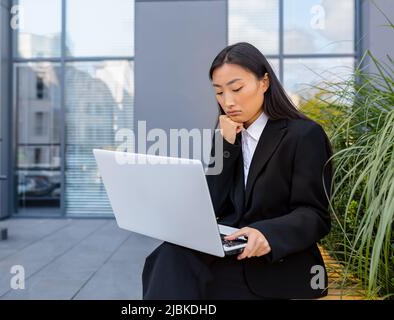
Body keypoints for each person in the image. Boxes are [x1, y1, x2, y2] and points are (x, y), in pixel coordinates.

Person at [142, 42, 333, 300]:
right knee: (168, 256)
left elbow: (315, 215)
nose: (227, 101)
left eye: (236, 88)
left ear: (264, 83)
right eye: (219, 92)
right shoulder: (227, 134)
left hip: (276, 260)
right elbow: (213, 204)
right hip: (231, 250)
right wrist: (226, 147)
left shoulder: (304, 135)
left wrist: (266, 233)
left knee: (181, 280)